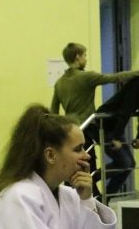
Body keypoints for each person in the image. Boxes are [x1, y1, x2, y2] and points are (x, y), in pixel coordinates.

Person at [50, 42, 139, 196]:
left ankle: (86, 198)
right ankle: (95, 197)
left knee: (78, 169)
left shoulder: (60, 83)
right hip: (87, 128)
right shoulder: (86, 77)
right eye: (84, 55)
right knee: (88, 167)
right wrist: (136, 73)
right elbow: (116, 78)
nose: (86, 59)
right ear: (77, 57)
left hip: (70, 131)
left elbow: (54, 111)